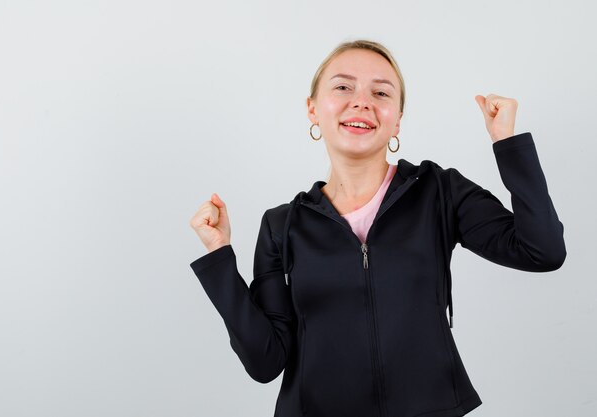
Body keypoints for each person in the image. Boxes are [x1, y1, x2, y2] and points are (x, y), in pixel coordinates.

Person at [188, 39, 566, 417]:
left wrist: (508, 142)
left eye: (381, 92)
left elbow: (542, 250)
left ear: (397, 118)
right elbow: (264, 361)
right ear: (313, 110)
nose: (362, 101)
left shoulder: (439, 191)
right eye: (343, 87)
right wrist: (220, 256)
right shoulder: (281, 225)